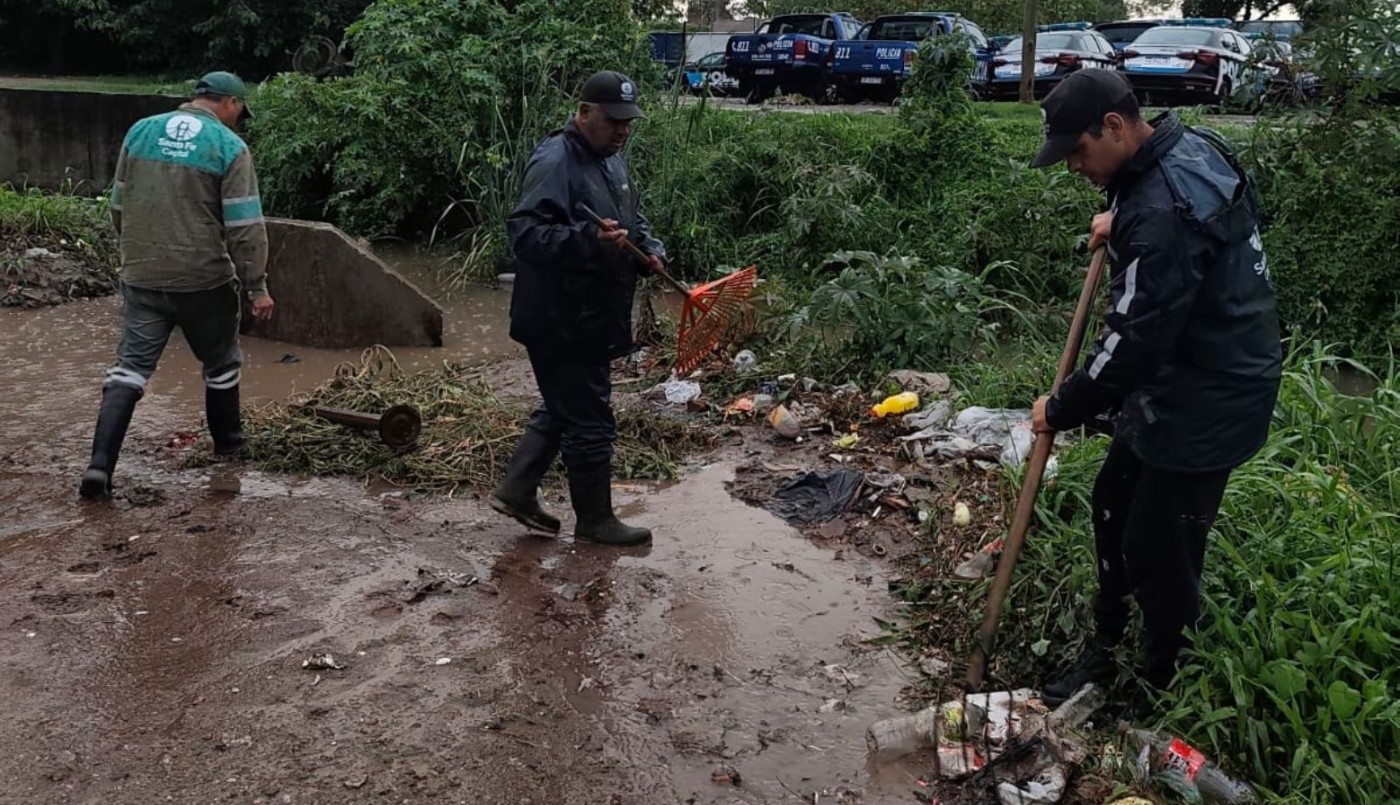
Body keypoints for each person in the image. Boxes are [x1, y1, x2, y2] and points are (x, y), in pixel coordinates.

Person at [1026, 70, 1282, 704]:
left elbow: (1131, 347)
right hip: (1185, 377)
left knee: (1160, 550)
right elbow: (1206, 214)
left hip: (1211, 397)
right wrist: (1120, 217)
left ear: (1114, 126)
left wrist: (1059, 407)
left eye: (1078, 153)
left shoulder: (1161, 213)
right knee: (1112, 500)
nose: (1073, 168)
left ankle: (1162, 685)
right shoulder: (1189, 148)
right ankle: (1107, 646)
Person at [80, 71, 275, 500]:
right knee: (222, 365)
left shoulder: (141, 132)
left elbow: (118, 206)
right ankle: (228, 448)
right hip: (203, 281)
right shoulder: (229, 147)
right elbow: (245, 227)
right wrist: (256, 286)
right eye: (240, 111)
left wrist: (137, 256)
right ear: (230, 104)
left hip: (142, 276)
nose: (238, 119)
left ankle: (99, 467)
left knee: (129, 370)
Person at [492, 70, 666, 548]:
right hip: (559, 319)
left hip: (591, 317)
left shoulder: (611, 160)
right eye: (613, 121)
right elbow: (524, 235)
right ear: (585, 112)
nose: (622, 130)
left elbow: (633, 218)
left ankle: (516, 489)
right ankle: (595, 520)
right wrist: (586, 239)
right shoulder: (556, 159)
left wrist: (650, 248)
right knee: (591, 418)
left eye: (628, 121)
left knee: (567, 406)